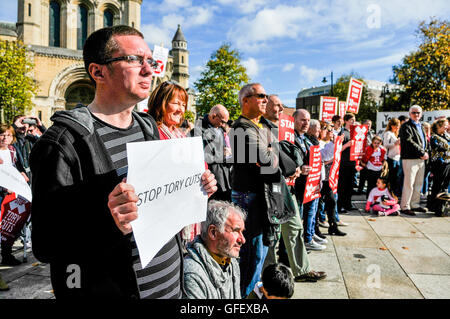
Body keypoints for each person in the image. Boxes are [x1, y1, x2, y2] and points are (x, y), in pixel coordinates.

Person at [29, 25, 217, 299]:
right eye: (134, 60)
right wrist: (106, 216)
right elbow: (45, 243)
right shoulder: (61, 142)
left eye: (150, 61)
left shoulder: (148, 128)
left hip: (172, 289)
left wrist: (195, 187)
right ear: (98, 71)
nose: (149, 70)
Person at [262, 96, 327, 283]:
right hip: (273, 190)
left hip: (288, 188)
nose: (282, 108)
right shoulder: (262, 129)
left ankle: (302, 270)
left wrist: (296, 167)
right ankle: (272, 277)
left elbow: (294, 154)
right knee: (273, 236)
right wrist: (291, 168)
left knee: (295, 228)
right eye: (277, 105)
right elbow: (269, 159)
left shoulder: (284, 129)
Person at [228, 83, 278, 298]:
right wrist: (271, 151)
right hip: (248, 198)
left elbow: (273, 156)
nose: (265, 99)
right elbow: (267, 160)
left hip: (258, 195)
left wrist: (271, 151)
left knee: (258, 254)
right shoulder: (242, 127)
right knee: (251, 256)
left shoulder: (258, 127)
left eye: (266, 95)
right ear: (245, 100)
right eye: (261, 96)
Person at [147, 80, 202, 247]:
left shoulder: (180, 135)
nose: (181, 109)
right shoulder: (151, 134)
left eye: (184, 104)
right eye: (176, 103)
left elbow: (198, 167)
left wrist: (206, 177)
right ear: (160, 104)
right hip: (164, 218)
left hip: (185, 214)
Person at [183, 200, 245, 299]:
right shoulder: (192, 274)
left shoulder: (231, 262)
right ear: (213, 233)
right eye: (236, 231)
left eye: (242, 232)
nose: (243, 240)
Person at [293, 110, 326, 251]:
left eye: (308, 120)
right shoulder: (290, 137)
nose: (306, 123)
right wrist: (299, 168)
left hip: (309, 183)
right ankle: (303, 241)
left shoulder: (305, 139)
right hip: (298, 185)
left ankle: (307, 237)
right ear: (293, 120)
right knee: (299, 216)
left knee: (309, 212)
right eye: (302, 120)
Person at [0, 124, 29, 266]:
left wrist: (22, 174)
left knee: (10, 224)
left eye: (8, 135)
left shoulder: (12, 150)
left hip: (13, 193)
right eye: (2, 135)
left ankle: (6, 254)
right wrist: (4, 188)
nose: (5, 138)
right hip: (2, 193)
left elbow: (18, 166)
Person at [191, 104, 232, 202]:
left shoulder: (221, 129)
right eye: (222, 121)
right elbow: (198, 156)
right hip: (210, 183)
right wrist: (222, 155)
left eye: (225, 122)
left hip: (226, 181)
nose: (223, 124)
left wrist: (229, 155)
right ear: (213, 115)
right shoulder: (198, 130)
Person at [399, 105, 429, 215]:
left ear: (421, 114)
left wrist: (426, 153)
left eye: (418, 113)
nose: (416, 114)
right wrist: (422, 153)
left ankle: (414, 204)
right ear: (410, 114)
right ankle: (405, 206)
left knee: (418, 183)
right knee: (409, 184)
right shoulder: (405, 126)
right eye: (414, 112)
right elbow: (408, 141)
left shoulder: (421, 126)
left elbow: (424, 141)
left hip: (421, 159)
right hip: (410, 159)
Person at [319, 123, 347, 236]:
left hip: (329, 178)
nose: (330, 131)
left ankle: (333, 226)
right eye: (326, 129)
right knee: (319, 205)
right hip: (321, 178)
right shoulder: (319, 143)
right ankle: (315, 229)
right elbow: (323, 159)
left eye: (331, 129)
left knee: (331, 201)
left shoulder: (329, 143)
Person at [12, 115, 46, 180]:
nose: (24, 125)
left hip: (32, 176)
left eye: (26, 123)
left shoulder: (32, 139)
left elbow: (49, 139)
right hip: (17, 176)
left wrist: (40, 125)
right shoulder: (10, 140)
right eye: (21, 122)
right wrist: (14, 126)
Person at [337, 113, 358, 213]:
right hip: (344, 163)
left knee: (350, 185)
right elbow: (337, 149)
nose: (353, 121)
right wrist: (347, 145)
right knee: (342, 186)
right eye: (351, 120)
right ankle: (340, 205)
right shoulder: (342, 132)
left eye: (354, 120)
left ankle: (348, 204)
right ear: (345, 121)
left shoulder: (355, 131)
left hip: (352, 162)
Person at [429, 118, 450, 214]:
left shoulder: (447, 136)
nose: (447, 127)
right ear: (439, 126)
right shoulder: (434, 137)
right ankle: (434, 205)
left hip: (448, 163)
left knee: (445, 185)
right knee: (438, 184)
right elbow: (436, 148)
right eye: (445, 125)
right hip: (439, 164)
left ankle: (442, 205)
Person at [383, 118, 402, 197]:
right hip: (391, 158)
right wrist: (395, 143)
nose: (397, 127)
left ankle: (393, 194)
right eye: (396, 126)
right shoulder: (388, 133)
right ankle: (389, 193)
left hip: (397, 157)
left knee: (396, 178)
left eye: (398, 126)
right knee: (391, 177)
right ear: (391, 126)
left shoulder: (395, 134)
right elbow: (385, 145)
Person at [421, 122, 432, 196]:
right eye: (425, 128)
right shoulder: (421, 137)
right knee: (422, 176)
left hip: (429, 160)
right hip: (422, 158)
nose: (427, 130)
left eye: (428, 128)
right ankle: (421, 191)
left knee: (426, 176)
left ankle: (425, 191)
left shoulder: (431, 137)